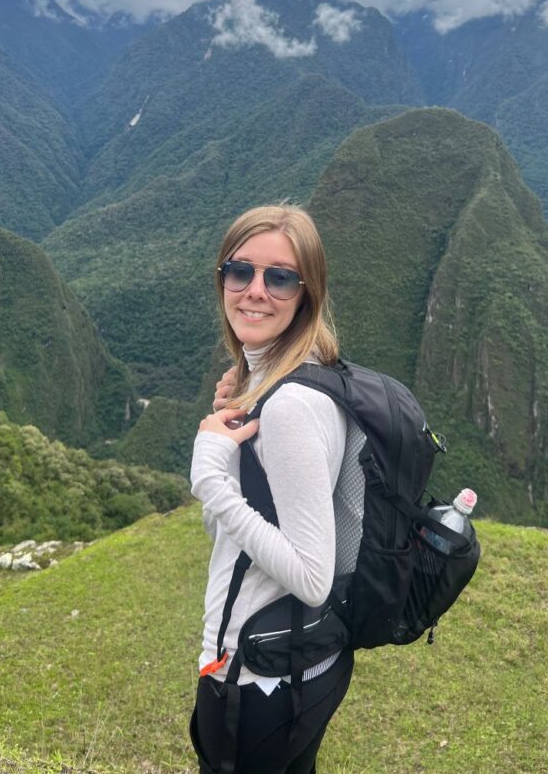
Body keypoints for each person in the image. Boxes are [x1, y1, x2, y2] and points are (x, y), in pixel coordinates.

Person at [189, 204, 354, 774]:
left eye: (279, 277)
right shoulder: (295, 374)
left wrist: (213, 480)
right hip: (288, 667)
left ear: (306, 293)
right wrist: (234, 457)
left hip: (259, 679)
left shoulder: (289, 406)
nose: (255, 291)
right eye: (240, 271)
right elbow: (236, 534)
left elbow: (313, 577)